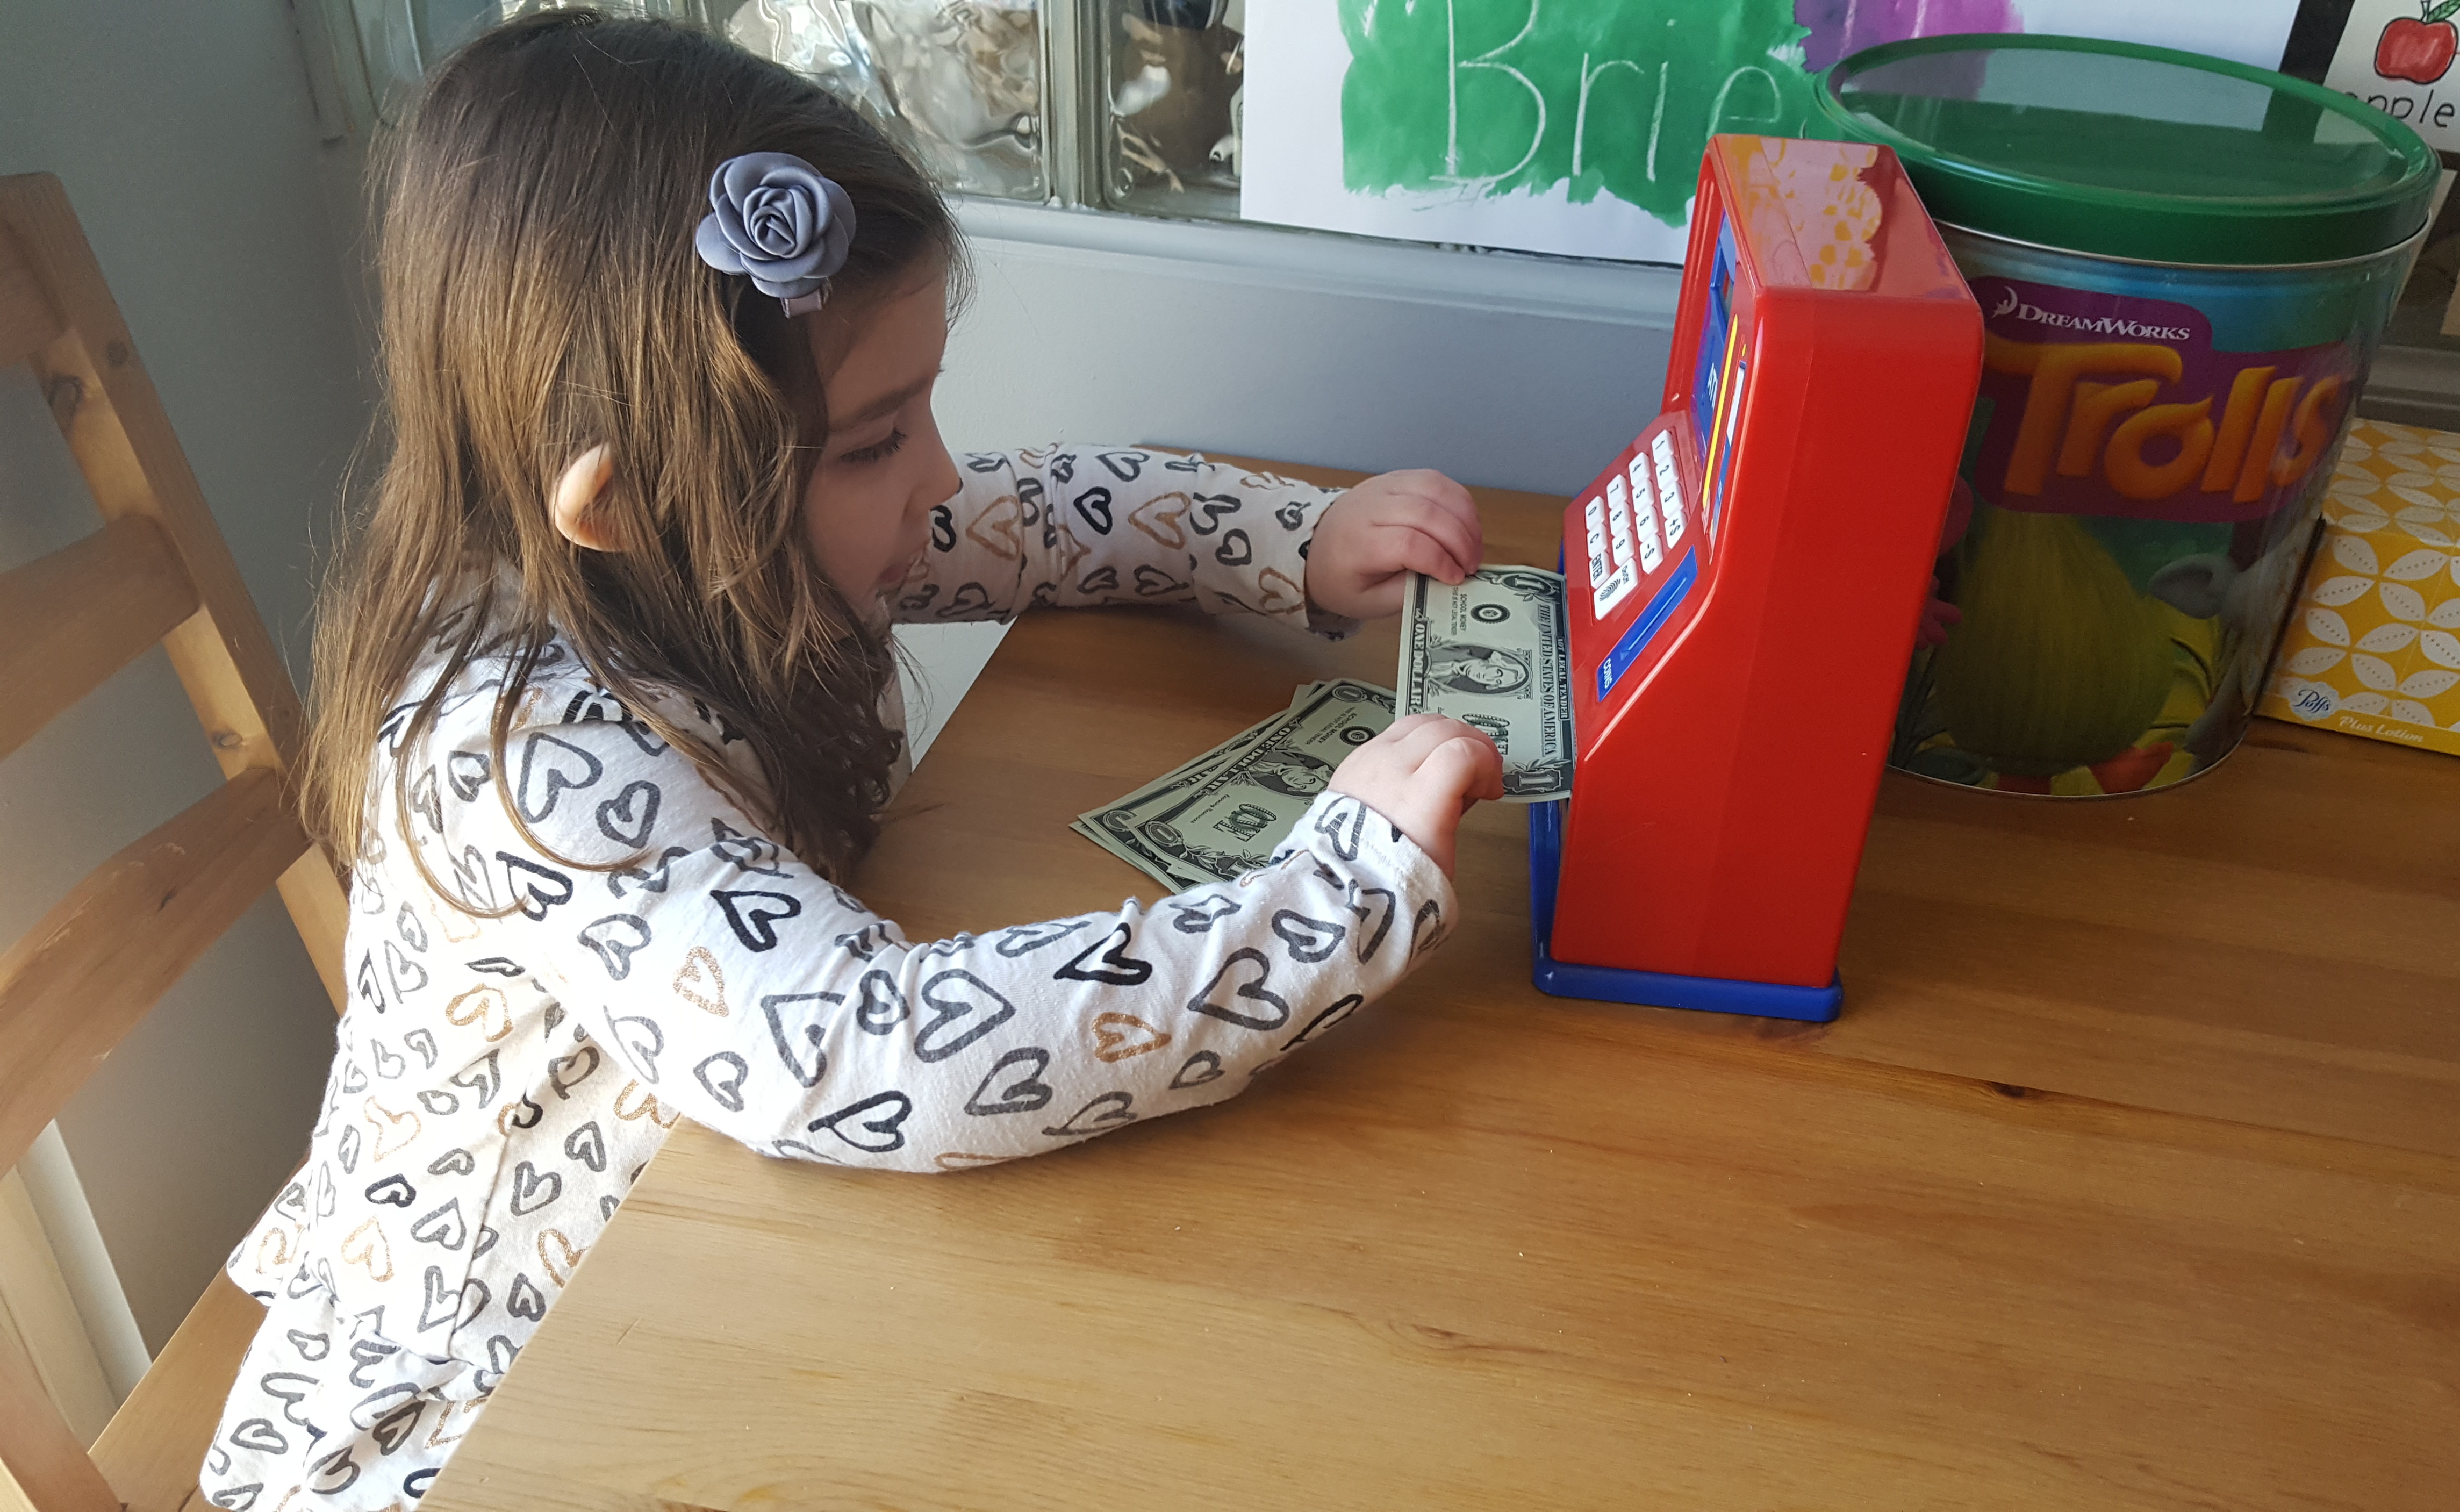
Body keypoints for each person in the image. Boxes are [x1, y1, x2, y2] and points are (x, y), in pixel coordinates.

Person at [201, 12, 1502, 1508]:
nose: (937, 476)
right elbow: (868, 1051)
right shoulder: (515, 754)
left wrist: (1296, 541)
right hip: (469, 1420)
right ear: (624, 502)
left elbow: (1033, 511)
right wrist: (1324, 907)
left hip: (699, 1270)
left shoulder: (719, 538)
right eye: (879, 439)